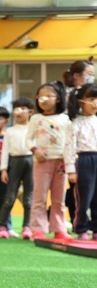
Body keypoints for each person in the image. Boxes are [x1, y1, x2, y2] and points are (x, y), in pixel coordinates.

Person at [27, 82, 75, 240]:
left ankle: (59, 228)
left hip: (61, 163)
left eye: (49, 96)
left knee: (59, 198)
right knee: (39, 197)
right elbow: (28, 139)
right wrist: (35, 150)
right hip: (41, 162)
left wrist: (69, 162)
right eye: (40, 96)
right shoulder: (36, 118)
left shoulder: (65, 119)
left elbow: (69, 142)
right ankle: (38, 229)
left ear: (58, 99)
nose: (44, 99)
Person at [0, 97, 36, 240]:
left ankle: (27, 226)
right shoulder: (10, 131)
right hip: (15, 162)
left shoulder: (34, 129)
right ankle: (3, 226)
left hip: (31, 160)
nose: (19, 112)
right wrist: (3, 169)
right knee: (9, 196)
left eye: (23, 108)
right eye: (16, 109)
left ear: (30, 112)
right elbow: (5, 151)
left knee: (28, 197)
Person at [62, 59, 94, 224]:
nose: (92, 77)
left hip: (91, 149)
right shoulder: (67, 95)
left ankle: (91, 225)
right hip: (74, 150)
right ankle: (79, 222)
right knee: (79, 190)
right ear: (76, 75)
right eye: (89, 74)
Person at [66, 83, 97, 240]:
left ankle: (96, 228)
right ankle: (81, 228)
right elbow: (69, 147)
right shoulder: (75, 123)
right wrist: (71, 169)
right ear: (81, 102)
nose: (95, 103)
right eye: (91, 99)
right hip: (84, 160)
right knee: (84, 196)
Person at [0, 106, 17, 237]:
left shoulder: (9, 136)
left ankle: (6, 226)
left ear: (6, 121)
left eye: (0, 119)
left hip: (5, 173)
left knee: (5, 200)